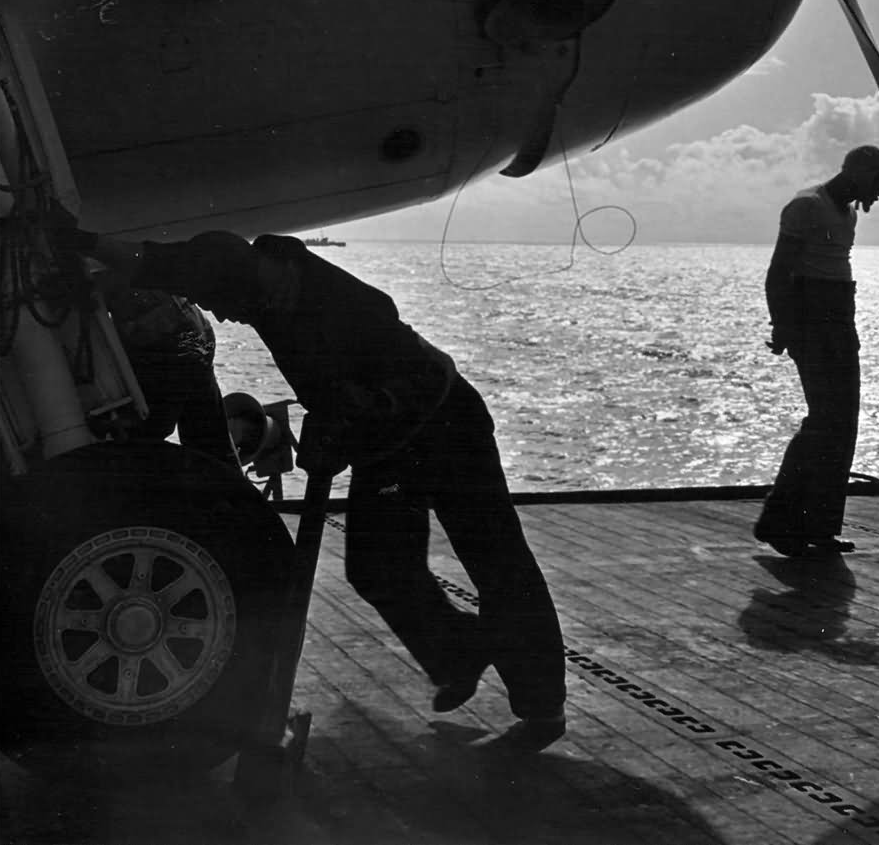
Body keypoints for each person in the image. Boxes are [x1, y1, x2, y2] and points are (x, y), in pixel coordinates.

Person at [76, 226, 568, 749]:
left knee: (497, 562)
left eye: (217, 303)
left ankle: (542, 712)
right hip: (385, 444)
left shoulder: (328, 299)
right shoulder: (257, 284)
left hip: (446, 427)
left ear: (238, 284)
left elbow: (407, 374)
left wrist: (349, 418)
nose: (219, 316)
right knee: (377, 567)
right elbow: (160, 260)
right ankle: (459, 655)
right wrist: (77, 239)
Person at [754, 145, 879, 558]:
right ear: (859, 173)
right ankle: (780, 522)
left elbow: (837, 272)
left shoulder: (848, 212)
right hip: (811, 322)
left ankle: (820, 526)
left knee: (843, 422)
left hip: (840, 320)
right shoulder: (806, 207)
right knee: (824, 420)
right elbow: (779, 273)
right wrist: (782, 325)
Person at [104, 282, 240, 469]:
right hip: (192, 332)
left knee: (140, 445)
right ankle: (233, 493)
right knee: (212, 444)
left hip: (164, 344)